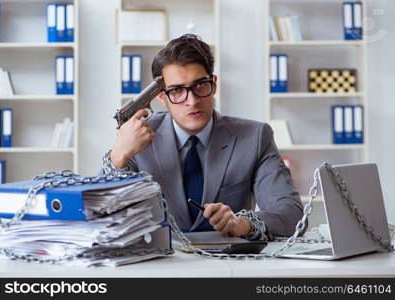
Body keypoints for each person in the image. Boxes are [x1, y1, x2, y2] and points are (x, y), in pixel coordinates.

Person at [102, 34, 305, 240]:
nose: (191, 101)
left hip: (231, 267)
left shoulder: (255, 137)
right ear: (162, 97)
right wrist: (118, 156)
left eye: (200, 85)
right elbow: (101, 217)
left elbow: (291, 215)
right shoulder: (138, 139)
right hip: (160, 267)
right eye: (177, 90)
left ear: (214, 84)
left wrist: (243, 225)